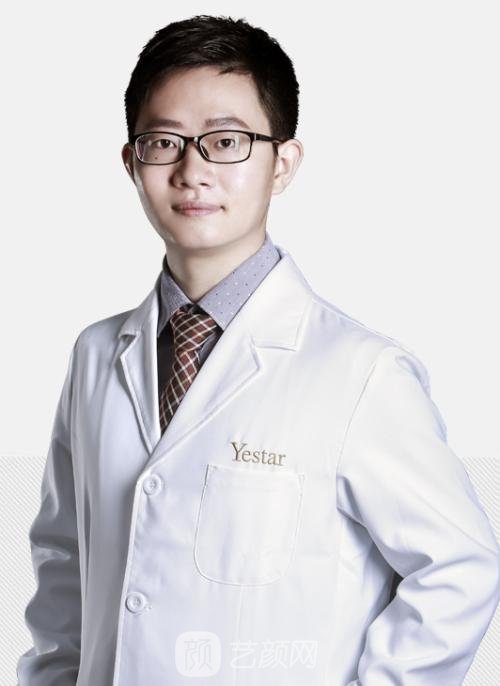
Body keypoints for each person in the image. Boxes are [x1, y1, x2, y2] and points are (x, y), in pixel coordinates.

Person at [17, 14, 500, 686]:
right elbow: (65, 559)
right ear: (132, 163)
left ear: (283, 164)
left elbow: (459, 567)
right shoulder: (96, 353)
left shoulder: (361, 372)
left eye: (226, 141)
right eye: (164, 142)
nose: (193, 171)